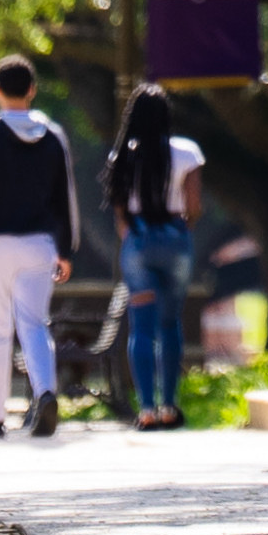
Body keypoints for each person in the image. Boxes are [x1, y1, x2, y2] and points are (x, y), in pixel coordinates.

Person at [0, 54, 78, 439]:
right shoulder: (53, 135)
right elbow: (65, 196)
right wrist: (65, 248)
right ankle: (45, 393)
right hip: (39, 243)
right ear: (32, 89)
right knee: (35, 324)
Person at [104, 86, 208, 430]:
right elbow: (193, 207)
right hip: (175, 238)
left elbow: (119, 212)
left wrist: (134, 233)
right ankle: (169, 405)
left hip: (138, 240)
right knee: (169, 323)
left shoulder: (123, 155)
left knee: (141, 327)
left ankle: (146, 409)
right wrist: (181, 227)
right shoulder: (187, 152)